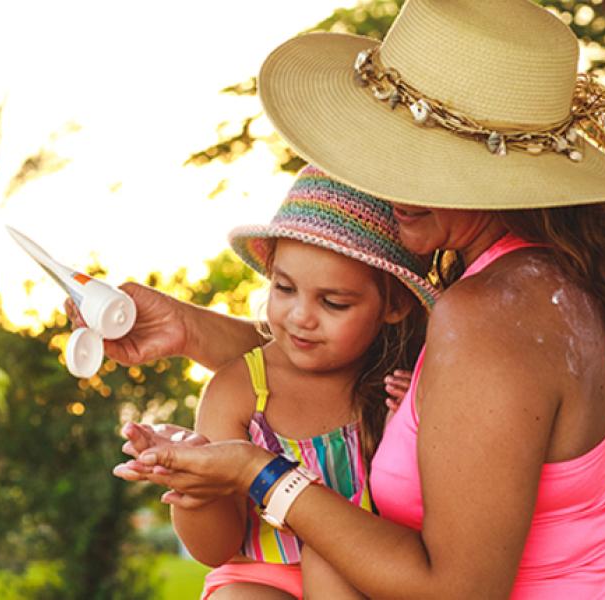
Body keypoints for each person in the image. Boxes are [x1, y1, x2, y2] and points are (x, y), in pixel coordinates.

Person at [97, 0, 605, 598]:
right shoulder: (565, 283)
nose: (388, 180)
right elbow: (343, 351)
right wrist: (190, 331)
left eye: (422, 158)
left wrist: (259, 471)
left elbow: (460, 590)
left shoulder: (487, 315)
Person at [177, 164, 437, 599]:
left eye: (333, 303)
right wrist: (194, 491)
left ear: (394, 306)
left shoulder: (401, 385)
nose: (301, 317)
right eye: (283, 288)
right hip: (259, 576)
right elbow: (214, 548)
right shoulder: (241, 391)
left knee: (326, 561)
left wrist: (409, 429)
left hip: (366, 575)